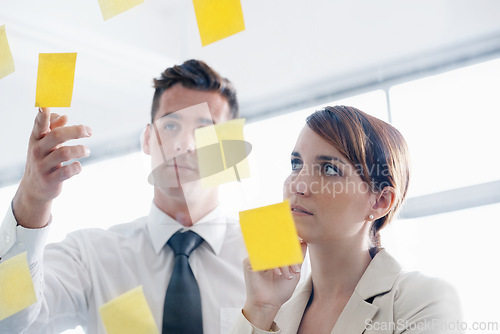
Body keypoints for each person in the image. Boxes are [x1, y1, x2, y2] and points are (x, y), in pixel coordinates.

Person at [0, 59, 248, 333]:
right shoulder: (91, 256)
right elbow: (8, 321)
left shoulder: (266, 258)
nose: (184, 144)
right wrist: (32, 199)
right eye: (170, 126)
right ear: (147, 140)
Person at [233, 105, 463, 333]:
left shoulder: (423, 300)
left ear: (380, 201)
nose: (298, 185)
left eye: (329, 170)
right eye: (296, 164)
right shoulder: (276, 312)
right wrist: (261, 308)